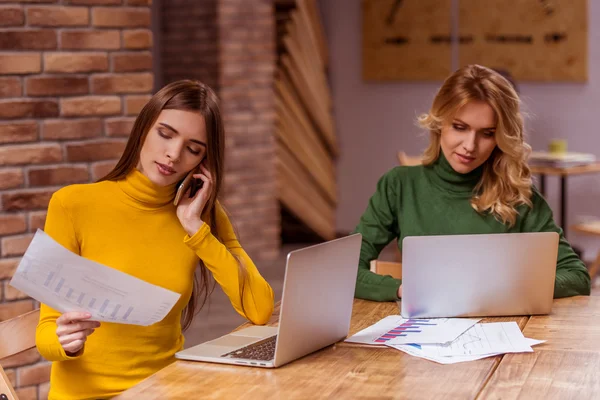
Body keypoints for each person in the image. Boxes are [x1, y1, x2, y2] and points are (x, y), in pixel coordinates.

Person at [35, 80, 275, 399]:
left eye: (193, 149)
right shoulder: (71, 205)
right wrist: (65, 341)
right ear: (144, 128)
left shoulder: (202, 215)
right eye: (165, 134)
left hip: (164, 391)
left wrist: (195, 227)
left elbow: (258, 309)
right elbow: (46, 334)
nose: (173, 155)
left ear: (203, 162)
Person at [353, 64, 591, 302]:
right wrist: (402, 289)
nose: (470, 145)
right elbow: (348, 269)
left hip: (500, 331)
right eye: (459, 127)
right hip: (420, 330)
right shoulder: (399, 185)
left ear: (500, 138)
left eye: (487, 133)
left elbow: (577, 277)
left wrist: (510, 288)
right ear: (439, 123)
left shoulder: (518, 194)